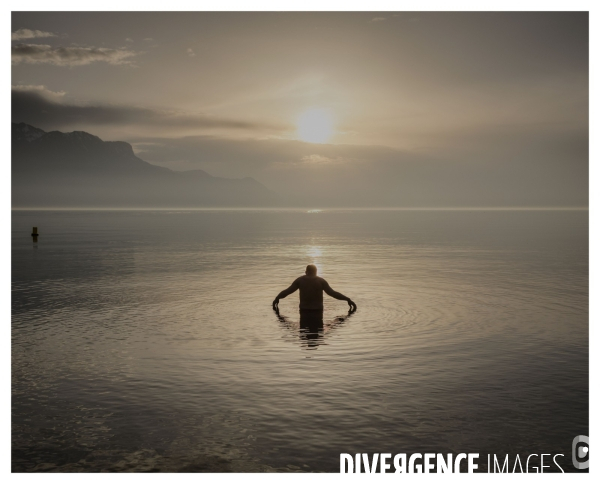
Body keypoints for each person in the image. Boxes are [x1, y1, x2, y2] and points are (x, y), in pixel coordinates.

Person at [272, 264, 357, 312]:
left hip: (304, 310)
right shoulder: (321, 281)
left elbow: (287, 291)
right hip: (318, 310)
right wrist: (348, 299)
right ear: (316, 272)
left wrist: (277, 298)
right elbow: (333, 293)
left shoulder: (300, 280)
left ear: (306, 272)